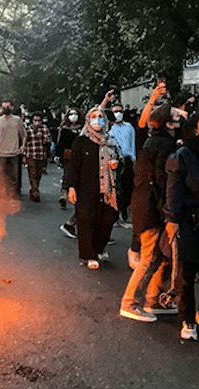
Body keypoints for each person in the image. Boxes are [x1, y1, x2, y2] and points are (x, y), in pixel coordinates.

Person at [119, 104, 181, 322]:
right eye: (175, 117)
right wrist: (167, 211)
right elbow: (163, 181)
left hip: (144, 204)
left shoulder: (151, 141)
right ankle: (130, 302)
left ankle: (153, 299)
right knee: (149, 258)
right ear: (167, 123)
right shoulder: (165, 145)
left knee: (158, 257)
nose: (180, 119)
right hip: (152, 208)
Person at [165, 111, 199, 341]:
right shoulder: (183, 155)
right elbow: (173, 190)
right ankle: (187, 318)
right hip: (189, 221)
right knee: (185, 275)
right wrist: (172, 219)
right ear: (195, 129)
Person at [65, 107, 120, 270]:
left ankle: (99, 248)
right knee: (86, 221)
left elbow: (120, 159)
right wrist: (71, 187)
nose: (98, 120)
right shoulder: (81, 142)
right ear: (88, 121)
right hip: (85, 188)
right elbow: (73, 166)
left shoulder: (110, 140)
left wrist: (116, 165)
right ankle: (89, 255)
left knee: (107, 219)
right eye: (94, 117)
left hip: (107, 190)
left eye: (101, 117)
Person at [0, 100, 26, 200]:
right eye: (4, 107)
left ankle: (12, 194)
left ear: (12, 107)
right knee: (1, 175)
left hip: (13, 152)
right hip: (0, 153)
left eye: (8, 107)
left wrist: (23, 146)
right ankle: (2, 193)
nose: (6, 109)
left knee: (13, 176)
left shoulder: (17, 120)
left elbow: (23, 135)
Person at [109, 103, 136, 224]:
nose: (118, 114)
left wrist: (133, 158)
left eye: (120, 111)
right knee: (116, 187)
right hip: (115, 160)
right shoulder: (110, 129)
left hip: (128, 159)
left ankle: (124, 210)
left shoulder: (129, 127)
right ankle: (116, 212)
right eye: (115, 112)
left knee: (128, 186)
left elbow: (132, 143)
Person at [56, 107, 83, 210]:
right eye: (71, 114)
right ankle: (64, 195)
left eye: (75, 114)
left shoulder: (83, 129)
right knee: (67, 175)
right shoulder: (64, 129)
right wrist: (58, 155)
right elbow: (60, 143)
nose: (73, 116)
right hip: (68, 156)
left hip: (81, 156)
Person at [23, 112, 51, 202]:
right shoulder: (28, 129)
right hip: (31, 154)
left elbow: (48, 140)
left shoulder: (44, 128)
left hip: (41, 154)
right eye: (35, 120)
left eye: (39, 120)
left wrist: (42, 136)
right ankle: (36, 192)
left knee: (38, 174)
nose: (37, 122)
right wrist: (24, 155)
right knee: (32, 173)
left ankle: (34, 189)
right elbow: (24, 142)